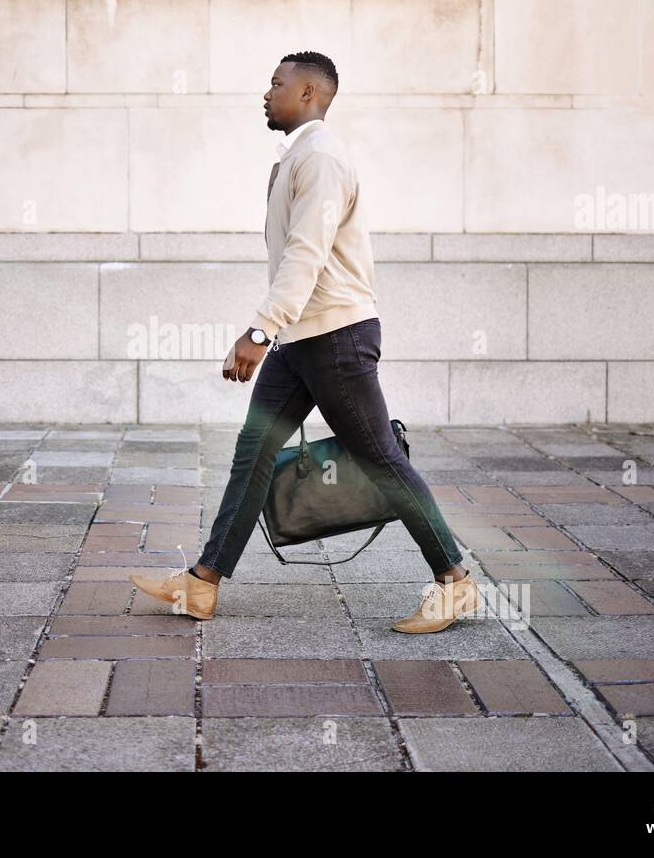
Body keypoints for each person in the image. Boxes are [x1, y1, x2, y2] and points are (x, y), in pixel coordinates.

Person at [130, 51, 480, 633]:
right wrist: (279, 331)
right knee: (254, 451)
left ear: (311, 93)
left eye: (277, 84)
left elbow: (307, 253)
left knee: (380, 459)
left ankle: (455, 583)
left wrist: (261, 329)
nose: (266, 93)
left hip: (335, 337)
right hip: (303, 337)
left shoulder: (320, 157)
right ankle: (201, 584)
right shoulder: (300, 156)